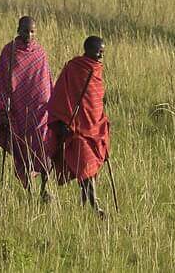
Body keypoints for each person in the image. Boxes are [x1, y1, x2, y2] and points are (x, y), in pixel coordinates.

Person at [48, 35, 111, 216]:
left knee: (89, 170)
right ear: (88, 49)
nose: (100, 55)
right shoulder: (73, 68)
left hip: (95, 129)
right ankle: (94, 206)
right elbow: (60, 95)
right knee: (85, 166)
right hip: (76, 129)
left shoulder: (98, 71)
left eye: (103, 52)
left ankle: (84, 205)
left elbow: (97, 101)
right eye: (98, 51)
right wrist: (62, 121)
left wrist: (103, 124)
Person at [0, 15, 53, 199]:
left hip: (40, 110)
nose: (29, 34)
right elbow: (1, 81)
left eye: (32, 31)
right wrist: (1, 109)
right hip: (18, 111)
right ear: (18, 29)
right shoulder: (9, 51)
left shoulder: (40, 52)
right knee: (22, 148)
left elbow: (47, 80)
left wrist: (54, 105)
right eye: (26, 30)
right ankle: (29, 190)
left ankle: (45, 188)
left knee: (45, 147)